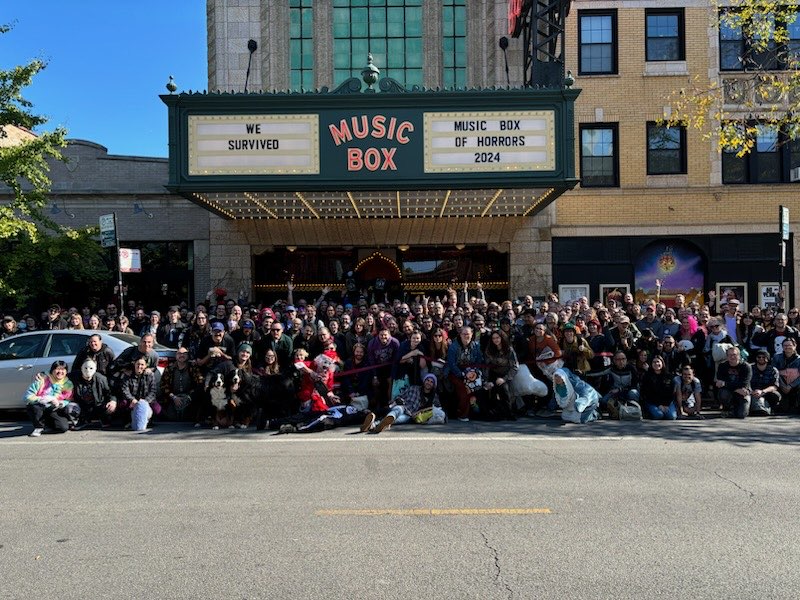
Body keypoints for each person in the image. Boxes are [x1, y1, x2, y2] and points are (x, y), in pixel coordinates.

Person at [360, 373, 442, 433]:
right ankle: (386, 419)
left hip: (410, 415)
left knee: (398, 420)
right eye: (427, 380)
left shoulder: (434, 397)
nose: (429, 383)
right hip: (403, 406)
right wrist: (398, 400)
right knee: (397, 410)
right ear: (424, 381)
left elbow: (437, 410)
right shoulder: (414, 388)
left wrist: (418, 413)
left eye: (431, 382)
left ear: (434, 385)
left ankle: (372, 425)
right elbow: (400, 396)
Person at [25, 360, 77, 437]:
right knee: (34, 406)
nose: (60, 372)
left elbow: (68, 399)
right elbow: (27, 397)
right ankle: (38, 427)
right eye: (58, 369)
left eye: (63, 369)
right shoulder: (42, 379)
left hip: (54, 409)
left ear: (66, 372)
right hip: (41, 406)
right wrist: (43, 399)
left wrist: (60, 403)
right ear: (52, 370)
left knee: (63, 428)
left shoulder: (68, 384)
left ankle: (48, 425)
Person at [445, 326, 484, 422]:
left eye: (468, 334)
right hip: (456, 372)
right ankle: (462, 414)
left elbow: (479, 360)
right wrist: (461, 374)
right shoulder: (454, 346)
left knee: (478, 388)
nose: (466, 336)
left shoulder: (476, 345)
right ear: (460, 335)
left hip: (471, 372)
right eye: (464, 334)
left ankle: (477, 412)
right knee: (464, 389)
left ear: (472, 335)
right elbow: (451, 363)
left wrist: (473, 372)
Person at [159, 347, 203, 422]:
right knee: (171, 418)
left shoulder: (193, 367)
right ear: (176, 356)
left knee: (188, 417)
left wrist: (189, 397)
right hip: (174, 397)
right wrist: (174, 397)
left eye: (184, 353)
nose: (181, 355)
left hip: (189, 398)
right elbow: (163, 385)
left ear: (188, 355)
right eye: (179, 353)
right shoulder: (169, 368)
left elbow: (200, 383)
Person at [484, 330, 520, 420]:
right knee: (490, 390)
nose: (495, 340)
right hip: (492, 374)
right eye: (493, 338)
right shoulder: (489, 350)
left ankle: (509, 413)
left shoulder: (509, 350)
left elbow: (515, 367)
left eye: (497, 338)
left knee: (504, 389)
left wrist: (505, 379)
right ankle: (493, 413)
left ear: (502, 338)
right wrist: (487, 381)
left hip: (505, 375)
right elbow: (486, 367)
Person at [715, 346, 752, 419]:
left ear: (739, 355)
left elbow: (743, 383)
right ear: (727, 356)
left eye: (734, 355)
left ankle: (737, 409)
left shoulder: (746, 367)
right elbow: (720, 384)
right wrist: (735, 388)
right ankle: (727, 409)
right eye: (730, 355)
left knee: (741, 415)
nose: (732, 357)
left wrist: (726, 384)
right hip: (730, 392)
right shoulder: (722, 366)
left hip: (743, 393)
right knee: (723, 393)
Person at [640, 355, 677, 420]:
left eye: (658, 362)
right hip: (652, 402)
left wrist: (666, 404)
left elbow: (672, 392)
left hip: (667, 403)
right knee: (658, 415)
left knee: (672, 416)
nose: (656, 364)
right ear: (651, 364)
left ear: (662, 363)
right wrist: (659, 405)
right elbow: (647, 394)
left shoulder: (669, 376)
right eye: (654, 362)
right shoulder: (647, 376)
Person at [772, 337, 800, 414]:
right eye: (785, 345)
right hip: (780, 384)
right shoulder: (776, 357)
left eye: (790, 345)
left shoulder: (799, 359)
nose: (787, 347)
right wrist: (782, 385)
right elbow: (774, 372)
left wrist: (790, 386)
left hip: (795, 385)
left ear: (795, 346)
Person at [749, 349, 780, 415]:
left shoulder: (773, 370)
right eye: (759, 357)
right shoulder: (749, 368)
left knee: (776, 395)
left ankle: (770, 409)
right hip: (751, 392)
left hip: (766, 392)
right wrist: (752, 392)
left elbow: (774, 386)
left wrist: (762, 391)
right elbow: (745, 382)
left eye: (764, 357)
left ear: (767, 358)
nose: (761, 358)